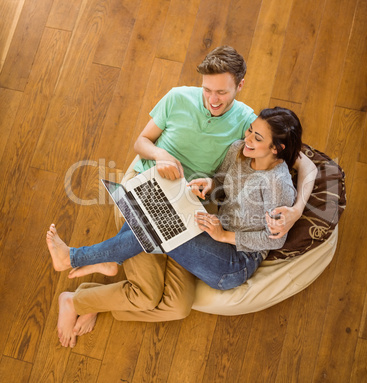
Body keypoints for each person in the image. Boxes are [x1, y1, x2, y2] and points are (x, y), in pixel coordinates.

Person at [47, 46, 317, 348]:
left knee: (172, 274)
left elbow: (298, 178)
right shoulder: (230, 142)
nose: (213, 100)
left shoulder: (261, 150)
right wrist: (206, 183)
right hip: (160, 192)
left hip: (226, 249)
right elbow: (216, 180)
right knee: (162, 294)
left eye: (222, 93)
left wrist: (289, 212)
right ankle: (86, 291)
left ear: (240, 87)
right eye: (207, 90)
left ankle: (92, 260)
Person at [65, 107, 301, 291]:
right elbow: (220, 181)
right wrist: (210, 185)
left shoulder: (277, 185)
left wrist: (224, 235)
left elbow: (274, 241)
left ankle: (75, 257)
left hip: (235, 262)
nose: (248, 138)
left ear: (277, 148)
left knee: (162, 224)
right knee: (158, 208)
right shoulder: (238, 150)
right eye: (250, 130)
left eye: (257, 138)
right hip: (216, 231)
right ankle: (109, 259)